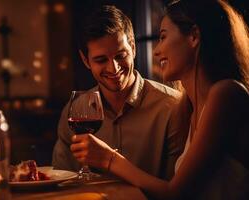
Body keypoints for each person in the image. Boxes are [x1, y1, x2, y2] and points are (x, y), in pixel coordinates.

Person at [70, 0, 249, 199]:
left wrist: (109, 159)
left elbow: (176, 193)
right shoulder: (189, 107)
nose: (157, 50)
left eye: (163, 37)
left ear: (194, 36)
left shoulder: (226, 94)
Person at [52, 5, 187, 180]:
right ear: (86, 60)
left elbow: (177, 189)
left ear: (133, 48)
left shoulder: (173, 107)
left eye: (120, 56)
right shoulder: (74, 110)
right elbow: (61, 180)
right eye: (101, 60)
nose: (113, 68)